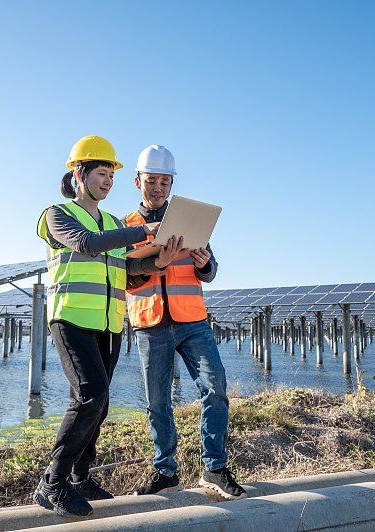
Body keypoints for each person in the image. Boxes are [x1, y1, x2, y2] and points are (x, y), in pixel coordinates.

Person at [32, 135, 184, 517]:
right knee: (90, 395)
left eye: (111, 176)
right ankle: (53, 482)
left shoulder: (114, 224)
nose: (108, 181)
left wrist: (160, 260)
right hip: (70, 319)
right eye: (102, 173)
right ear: (78, 174)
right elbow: (86, 243)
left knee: (97, 406)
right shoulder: (58, 215)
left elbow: (128, 270)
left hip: (109, 324)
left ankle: (81, 479)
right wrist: (143, 232)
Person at [126, 145, 246, 500]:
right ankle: (165, 472)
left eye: (165, 181)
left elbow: (209, 273)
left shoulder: (190, 222)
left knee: (215, 387)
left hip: (193, 319)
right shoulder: (126, 228)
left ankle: (214, 468)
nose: (159, 187)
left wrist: (204, 260)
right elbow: (126, 278)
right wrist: (156, 262)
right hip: (151, 321)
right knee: (158, 401)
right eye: (152, 181)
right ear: (138, 182)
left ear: (171, 184)